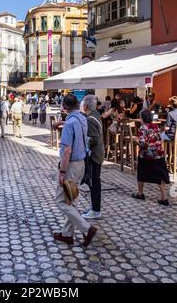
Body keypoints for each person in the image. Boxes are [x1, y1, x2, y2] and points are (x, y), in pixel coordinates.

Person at [54, 94, 97, 248]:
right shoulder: (81, 118)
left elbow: (66, 150)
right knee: (72, 199)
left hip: (71, 165)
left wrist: (62, 172)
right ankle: (67, 235)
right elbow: (73, 121)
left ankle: (87, 228)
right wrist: (62, 122)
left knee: (60, 201)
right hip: (81, 164)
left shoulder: (69, 124)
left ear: (64, 106)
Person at [132, 109, 170, 206]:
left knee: (141, 171)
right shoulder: (156, 127)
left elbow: (142, 144)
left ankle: (140, 193)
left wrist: (135, 139)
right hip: (158, 154)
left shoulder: (143, 128)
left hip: (146, 155)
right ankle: (164, 197)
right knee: (160, 175)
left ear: (142, 118)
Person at [81, 95, 105, 220]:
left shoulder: (90, 119)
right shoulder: (96, 115)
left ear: (85, 106)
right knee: (94, 181)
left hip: (94, 154)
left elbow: (94, 139)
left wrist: (85, 143)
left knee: (94, 182)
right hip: (99, 153)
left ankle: (96, 210)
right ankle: (94, 207)